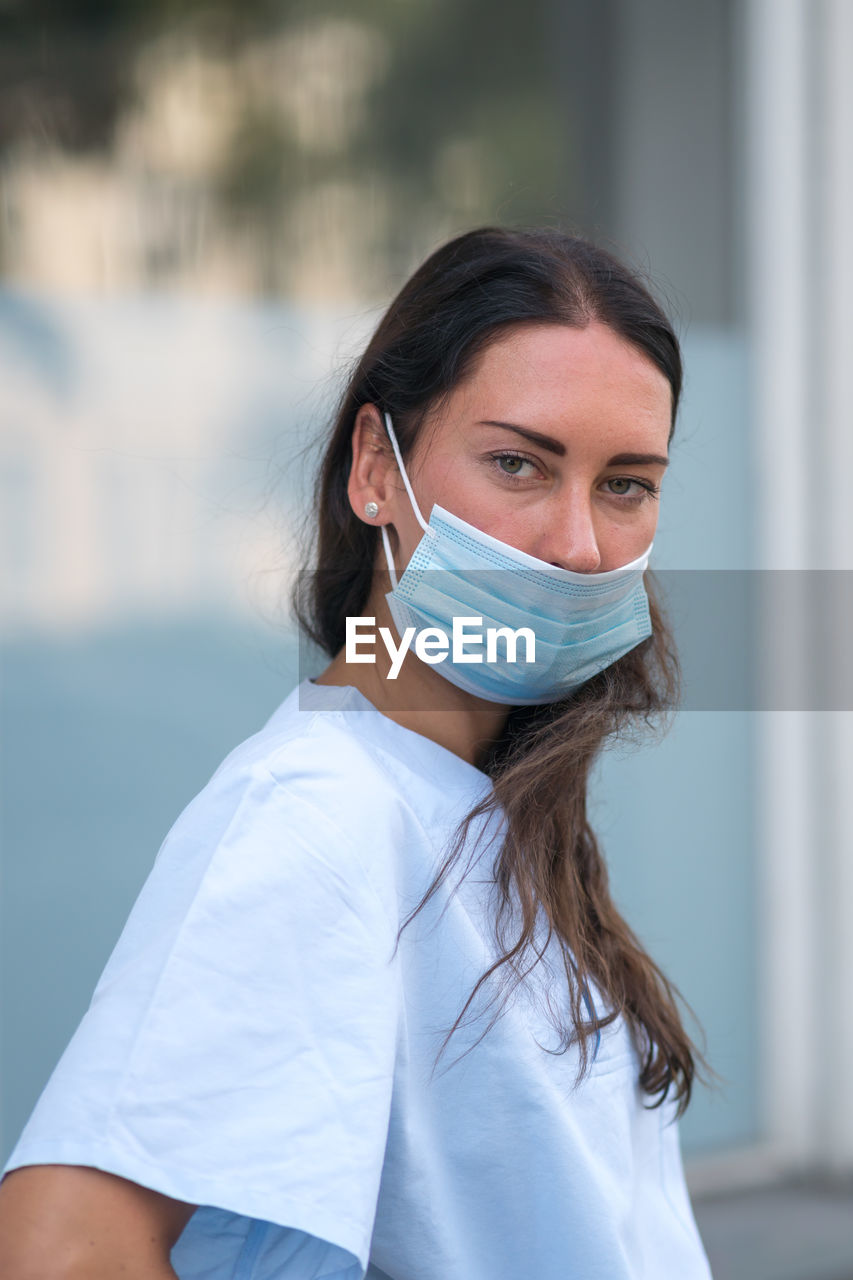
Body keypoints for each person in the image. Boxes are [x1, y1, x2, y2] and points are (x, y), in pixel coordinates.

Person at [0, 226, 714, 1279]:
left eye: (625, 484)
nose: (575, 543)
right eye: (518, 462)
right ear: (376, 469)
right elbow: (64, 1248)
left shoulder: (482, 801)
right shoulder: (315, 812)